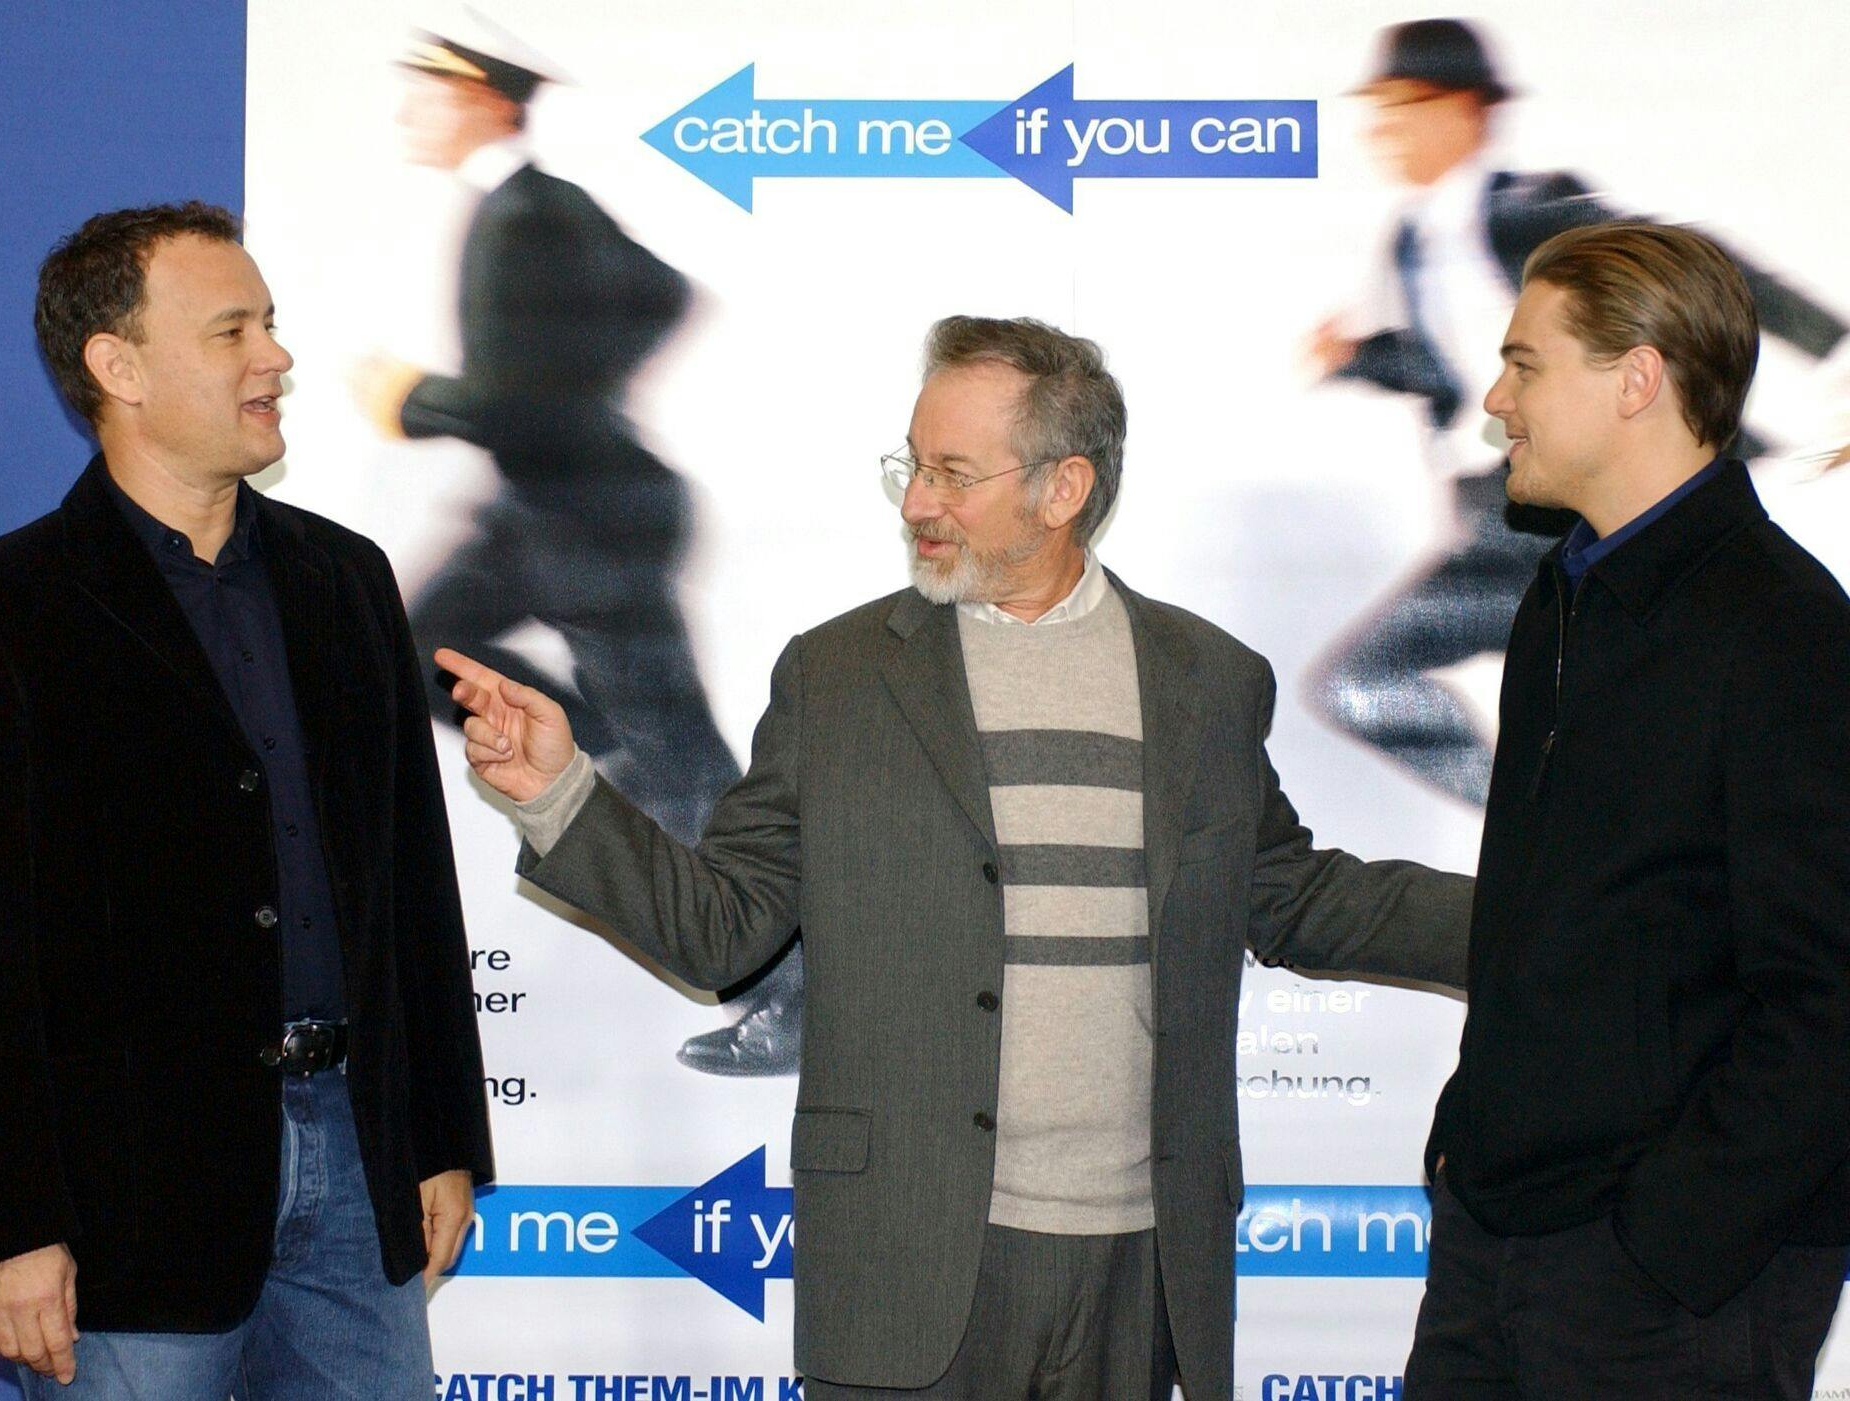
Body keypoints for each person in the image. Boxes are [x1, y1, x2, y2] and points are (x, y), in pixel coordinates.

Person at [441, 316, 1472, 1398]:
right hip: (912, 1264)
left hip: (1141, 1268)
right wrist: (561, 793)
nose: (916, 503)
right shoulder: (837, 678)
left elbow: (1294, 894)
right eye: (911, 464)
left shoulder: (1207, 680)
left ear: (1064, 488)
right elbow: (722, 929)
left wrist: (1538, 921)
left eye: (951, 474)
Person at [0, 202, 494, 1399]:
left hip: (360, 1167)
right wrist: (6, 1224)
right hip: (124, 1206)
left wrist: (442, 1138)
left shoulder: (348, 579)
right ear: (116, 366)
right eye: (231, 330)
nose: (274, 358)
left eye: (270, 324)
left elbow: (412, 885)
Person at [1404, 223, 1850, 1399]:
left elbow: (1830, 997)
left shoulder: (1786, 633)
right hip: (1495, 1236)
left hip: (1666, 1283)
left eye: (1527, 363)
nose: (1496, 398)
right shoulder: (1562, 594)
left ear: (1637, 378)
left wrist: (1668, 1241)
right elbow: (1549, 914)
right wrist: (1473, 1128)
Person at [352, 23, 799, 1077]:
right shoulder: (537, 203)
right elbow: (664, 297)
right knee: (413, 646)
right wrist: (583, 393)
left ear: (485, 98)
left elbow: (510, 398)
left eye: (430, 91)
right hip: (547, 511)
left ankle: (797, 997)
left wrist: (409, 399)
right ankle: (606, 752)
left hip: (592, 522)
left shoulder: (524, 215)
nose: (411, 110)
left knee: (692, 777)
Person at [1305, 17, 1848, 806]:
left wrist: (1834, 349)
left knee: (1379, 680)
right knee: (1368, 684)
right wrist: (1357, 358)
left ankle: (1550, 822)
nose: (1386, 130)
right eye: (1379, 111)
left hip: (1564, 515)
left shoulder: (1533, 207)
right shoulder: (1411, 242)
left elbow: (1698, 266)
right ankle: (1543, 818)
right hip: (1495, 514)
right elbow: (1453, 373)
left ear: (1466, 110)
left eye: (1405, 106)